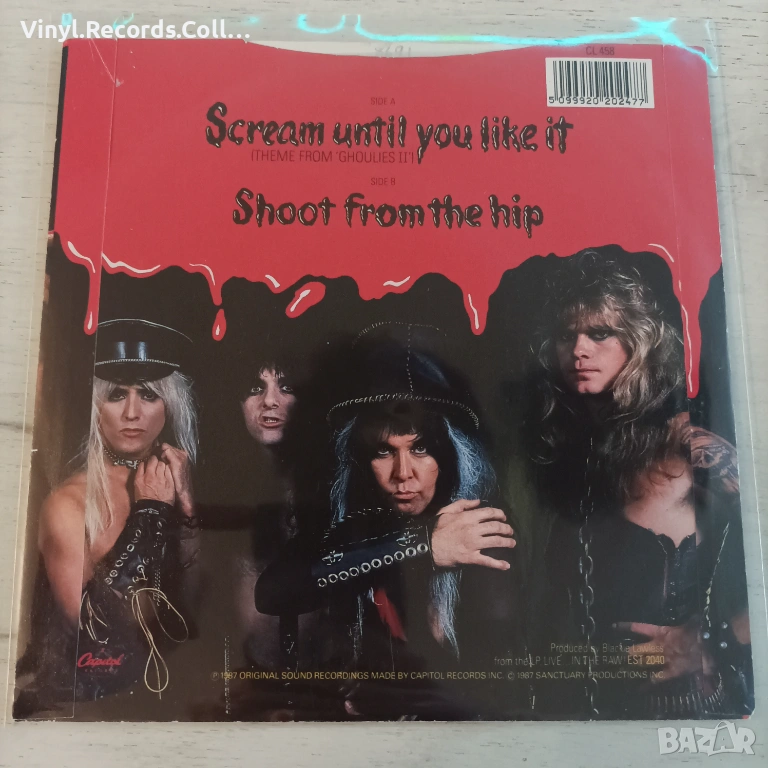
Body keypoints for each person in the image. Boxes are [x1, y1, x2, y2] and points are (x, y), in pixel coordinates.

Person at [256, 323, 523, 719]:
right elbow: (273, 593)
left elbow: (494, 675)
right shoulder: (351, 521)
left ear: (449, 453)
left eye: (420, 449)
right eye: (384, 451)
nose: (403, 473)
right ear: (362, 459)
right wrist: (421, 546)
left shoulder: (480, 524)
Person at [527, 249, 752, 718]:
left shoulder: (686, 445)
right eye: (566, 335)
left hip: (687, 715)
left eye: (600, 333)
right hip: (587, 718)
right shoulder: (567, 455)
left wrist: (712, 639)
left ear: (638, 342)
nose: (579, 349)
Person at [15, 319, 199, 716]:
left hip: (161, 695)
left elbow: (192, 601)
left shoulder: (169, 481)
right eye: (116, 395)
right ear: (97, 406)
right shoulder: (67, 503)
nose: (132, 412)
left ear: (169, 405)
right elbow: (92, 629)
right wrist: (149, 513)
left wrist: (185, 507)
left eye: (148, 395)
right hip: (76, 707)